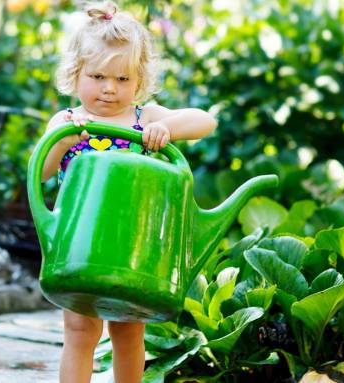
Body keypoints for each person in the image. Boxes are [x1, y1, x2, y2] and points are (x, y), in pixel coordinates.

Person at [38, 2, 218, 382]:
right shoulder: (68, 121)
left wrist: (167, 129)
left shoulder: (143, 118)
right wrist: (64, 138)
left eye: (123, 80)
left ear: (139, 81)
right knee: (80, 331)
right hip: (81, 245)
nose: (109, 88)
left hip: (133, 245)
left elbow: (206, 121)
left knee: (129, 329)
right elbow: (43, 172)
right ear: (76, 74)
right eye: (99, 76)